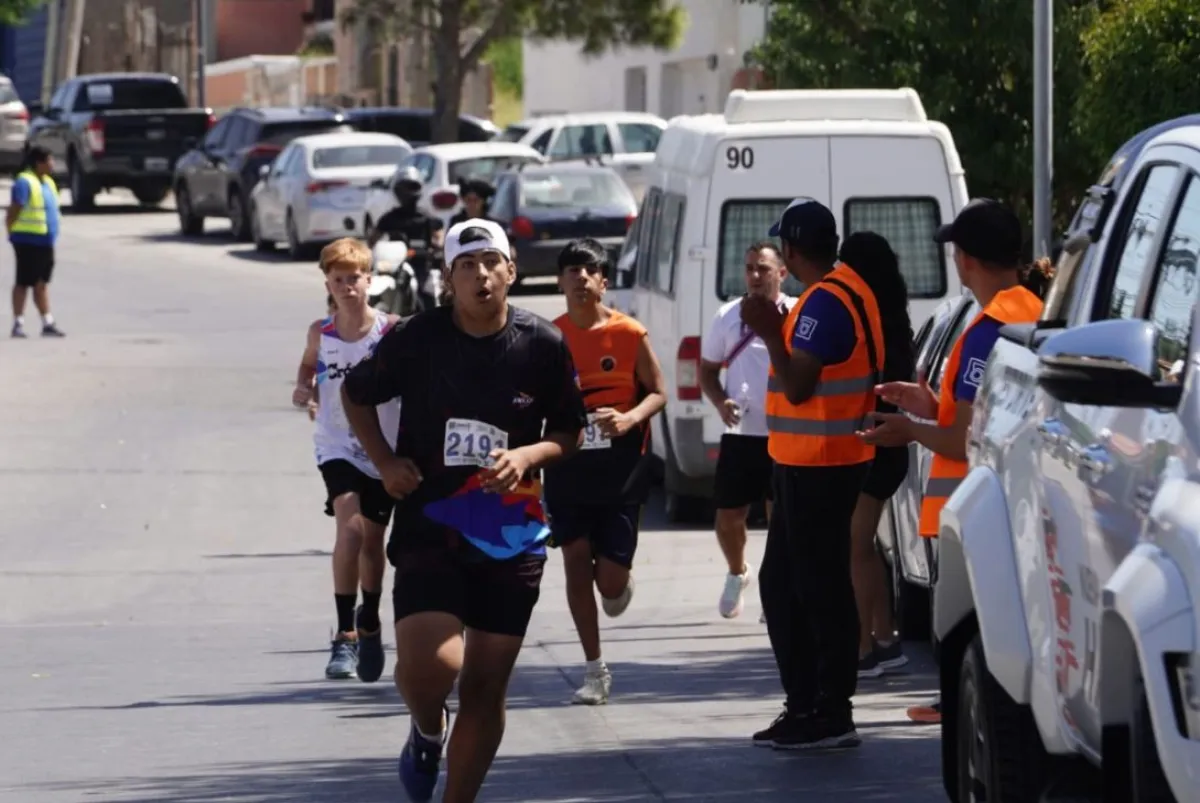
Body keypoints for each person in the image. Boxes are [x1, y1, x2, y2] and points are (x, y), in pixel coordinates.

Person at [341, 218, 586, 802]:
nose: (481, 275)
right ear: (449, 279)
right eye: (466, 265)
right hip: (433, 525)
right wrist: (384, 461)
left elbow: (571, 430)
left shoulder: (542, 344)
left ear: (512, 270)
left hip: (510, 536)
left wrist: (529, 454)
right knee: (432, 669)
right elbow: (356, 393)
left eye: (490, 263)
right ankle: (428, 729)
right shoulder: (416, 338)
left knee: (484, 688)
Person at [858, 199, 1049, 725]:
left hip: (975, 501)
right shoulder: (1028, 310)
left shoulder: (986, 330)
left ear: (964, 259)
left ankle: (966, 707)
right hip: (1013, 495)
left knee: (971, 619)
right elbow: (977, 414)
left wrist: (905, 430)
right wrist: (922, 402)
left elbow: (961, 437)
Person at [740, 198, 884, 751]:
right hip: (810, 461)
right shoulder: (842, 288)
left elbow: (799, 384)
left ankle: (830, 710)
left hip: (822, 464)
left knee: (816, 587)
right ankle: (806, 704)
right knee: (786, 584)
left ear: (793, 250)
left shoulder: (826, 301)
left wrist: (769, 331)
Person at [544, 237, 667, 705]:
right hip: (568, 468)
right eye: (571, 271)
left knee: (608, 583)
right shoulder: (548, 337)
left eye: (588, 270)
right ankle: (595, 670)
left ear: (603, 281)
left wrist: (629, 418)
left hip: (621, 470)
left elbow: (657, 391)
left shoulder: (630, 333)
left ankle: (619, 578)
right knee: (575, 560)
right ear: (560, 281)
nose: (579, 278)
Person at [293, 238, 401, 683]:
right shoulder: (322, 331)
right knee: (350, 527)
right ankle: (345, 635)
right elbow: (307, 369)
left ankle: (370, 619)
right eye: (338, 280)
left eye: (354, 278)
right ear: (328, 284)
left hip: (384, 449)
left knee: (374, 545)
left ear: (369, 280)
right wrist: (305, 390)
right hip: (336, 443)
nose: (347, 286)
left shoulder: (390, 331)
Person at [699, 241, 795, 619]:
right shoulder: (728, 315)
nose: (755, 276)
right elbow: (707, 371)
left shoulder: (795, 312)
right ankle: (738, 572)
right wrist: (721, 402)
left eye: (764, 269)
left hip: (785, 433)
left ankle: (777, 589)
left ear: (781, 274)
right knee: (728, 515)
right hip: (741, 433)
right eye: (750, 268)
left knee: (780, 517)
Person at [835, 233, 914, 679]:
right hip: (888, 443)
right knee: (866, 544)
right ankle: (884, 636)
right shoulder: (891, 317)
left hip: (875, 445)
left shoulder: (865, 319)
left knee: (854, 544)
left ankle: (862, 647)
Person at [369, 165, 444, 312]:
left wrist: (436, 246)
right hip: (393, 267)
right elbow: (373, 240)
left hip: (420, 266)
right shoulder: (389, 218)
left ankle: (431, 325)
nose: (408, 192)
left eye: (412, 187)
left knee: (427, 296)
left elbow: (439, 238)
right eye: (404, 188)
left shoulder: (426, 218)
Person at [8, 146, 63, 338]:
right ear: (39, 163)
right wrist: (10, 229)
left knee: (41, 282)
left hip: (45, 239)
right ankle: (18, 323)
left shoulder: (48, 182)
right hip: (27, 239)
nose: (52, 164)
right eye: (49, 160)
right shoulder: (24, 181)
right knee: (23, 281)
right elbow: (15, 208)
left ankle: (47, 322)